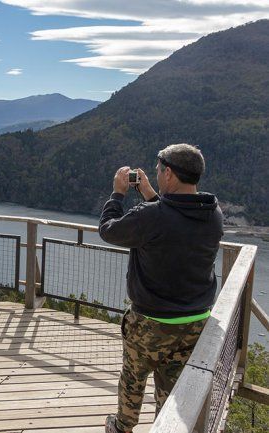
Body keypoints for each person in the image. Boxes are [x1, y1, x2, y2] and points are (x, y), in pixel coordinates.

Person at [100, 144, 223, 433]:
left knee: (133, 376)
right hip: (194, 323)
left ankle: (122, 427)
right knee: (171, 386)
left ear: (169, 173)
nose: (155, 176)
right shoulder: (212, 213)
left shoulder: (151, 216)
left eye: (157, 171)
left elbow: (109, 230)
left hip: (150, 323)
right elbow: (174, 219)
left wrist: (118, 193)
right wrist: (149, 195)